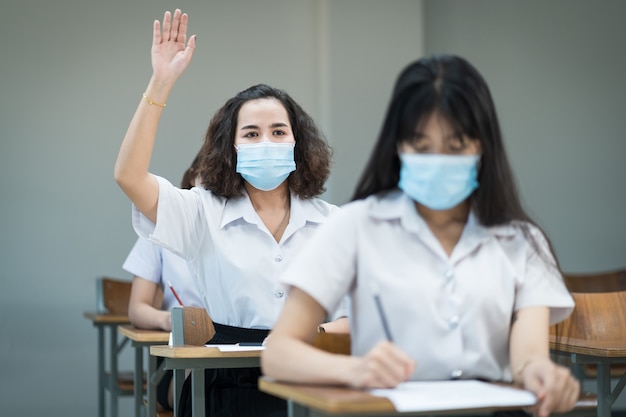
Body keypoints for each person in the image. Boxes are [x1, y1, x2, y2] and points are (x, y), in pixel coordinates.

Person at [261, 54, 580, 417]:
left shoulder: (521, 240)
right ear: (397, 146)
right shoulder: (355, 226)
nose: (438, 159)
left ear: (483, 147)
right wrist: (355, 370)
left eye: (456, 146)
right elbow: (279, 353)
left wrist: (541, 373)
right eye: (421, 146)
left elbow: (528, 358)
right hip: (390, 408)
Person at [114, 8, 346, 417]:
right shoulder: (201, 211)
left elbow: (359, 316)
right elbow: (129, 176)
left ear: (298, 143)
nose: (266, 142)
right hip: (226, 381)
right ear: (232, 148)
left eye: (278, 131)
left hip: (312, 377)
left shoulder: (333, 222)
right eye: (251, 134)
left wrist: (318, 333)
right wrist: (160, 84)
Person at [122, 155, 204, 411]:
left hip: (240, 353)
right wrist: (170, 321)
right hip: (180, 356)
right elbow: (137, 308)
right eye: (211, 176)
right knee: (209, 391)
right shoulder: (159, 231)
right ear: (192, 177)